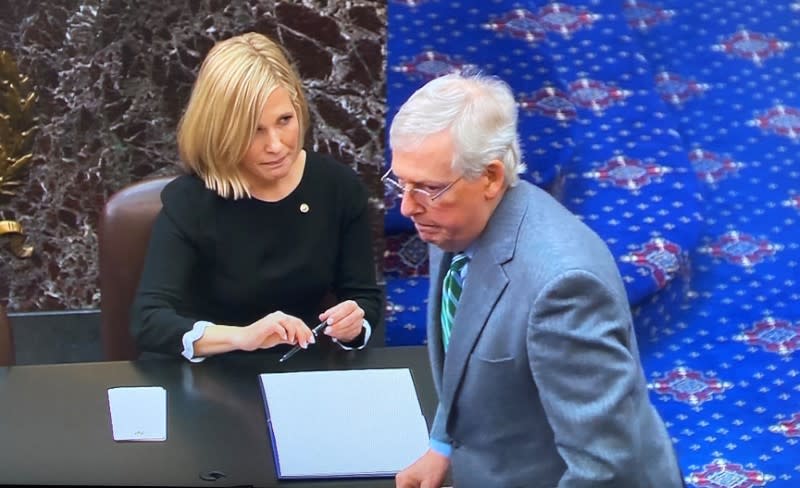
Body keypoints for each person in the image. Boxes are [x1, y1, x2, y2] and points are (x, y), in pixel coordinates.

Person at [389, 73, 684, 487]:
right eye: (401, 182)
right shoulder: (452, 219)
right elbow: (467, 358)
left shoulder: (564, 289)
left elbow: (607, 468)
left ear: (490, 177)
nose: (406, 206)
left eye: (425, 188)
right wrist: (442, 445)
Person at [131, 32, 382, 361]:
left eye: (285, 121)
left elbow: (364, 297)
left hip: (297, 375)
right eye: (254, 129)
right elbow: (149, 321)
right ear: (223, 130)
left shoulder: (338, 187)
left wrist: (354, 324)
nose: (276, 145)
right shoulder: (191, 201)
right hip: (210, 378)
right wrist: (242, 337)